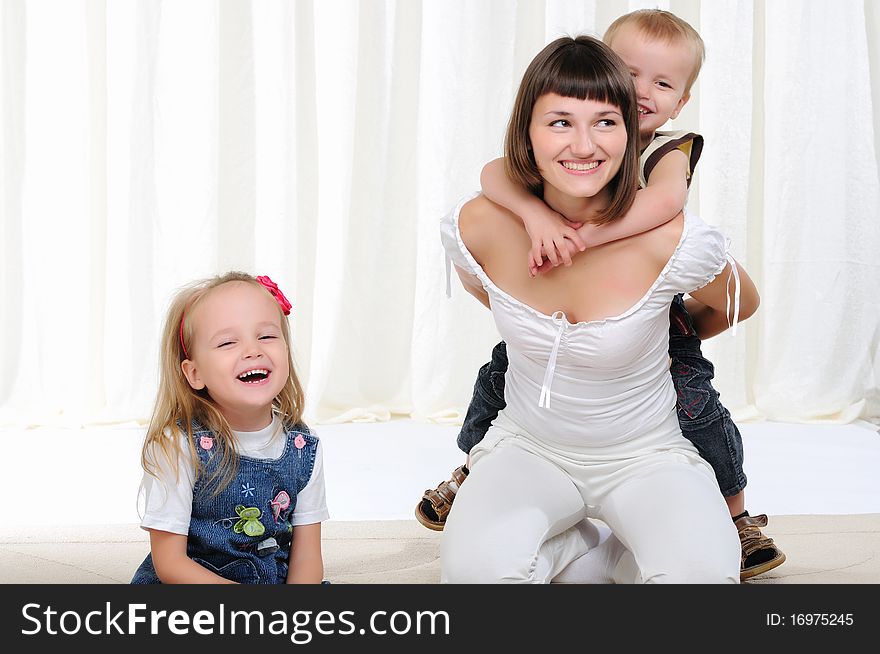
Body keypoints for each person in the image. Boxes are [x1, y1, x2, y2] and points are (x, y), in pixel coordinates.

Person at [418, 9, 785, 581]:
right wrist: (538, 326)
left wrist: (669, 325)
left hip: (647, 453)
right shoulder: (481, 223)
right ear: (527, 131)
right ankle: (569, 535)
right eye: (560, 122)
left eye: (606, 122)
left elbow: (738, 297)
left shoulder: (669, 215)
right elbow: (488, 278)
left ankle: (666, 532)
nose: (584, 145)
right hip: (529, 447)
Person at [131, 272, 328, 584]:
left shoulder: (303, 448)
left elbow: (307, 556)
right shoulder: (178, 445)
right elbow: (170, 563)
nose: (253, 350)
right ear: (194, 373)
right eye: (227, 342)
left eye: (266, 336)